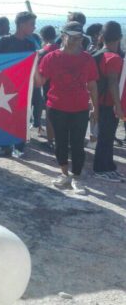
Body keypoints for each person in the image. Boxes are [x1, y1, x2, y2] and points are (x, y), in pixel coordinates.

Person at [35, 21, 99, 195]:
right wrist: (33, 64)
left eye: (79, 37)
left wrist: (96, 109)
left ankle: (76, 177)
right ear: (63, 36)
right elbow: (40, 81)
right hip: (56, 107)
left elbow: (92, 85)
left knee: (78, 145)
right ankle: (64, 174)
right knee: (60, 143)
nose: (76, 41)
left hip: (80, 108)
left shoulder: (87, 59)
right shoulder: (51, 58)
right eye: (72, 37)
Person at [0, 11, 38, 159]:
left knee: (22, 117)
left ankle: (19, 147)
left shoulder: (30, 44)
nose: (34, 28)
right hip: (4, 88)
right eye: (31, 24)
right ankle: (5, 147)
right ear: (21, 25)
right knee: (4, 116)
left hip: (23, 87)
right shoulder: (4, 41)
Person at [92, 21, 125, 182]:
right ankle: (100, 168)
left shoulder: (97, 54)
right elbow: (113, 83)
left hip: (98, 101)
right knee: (106, 137)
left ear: (102, 37)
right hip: (108, 103)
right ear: (120, 37)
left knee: (106, 136)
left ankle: (109, 166)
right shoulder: (114, 58)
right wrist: (118, 107)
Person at [37, 25, 58, 148]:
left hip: (47, 87)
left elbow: (39, 72)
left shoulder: (42, 52)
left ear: (42, 36)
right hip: (62, 86)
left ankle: (51, 141)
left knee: (50, 115)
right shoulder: (61, 49)